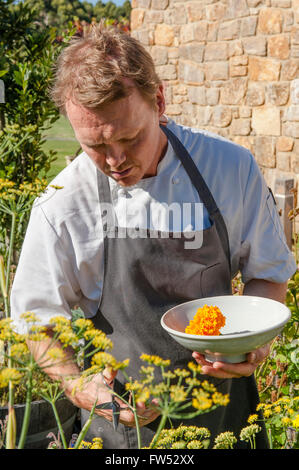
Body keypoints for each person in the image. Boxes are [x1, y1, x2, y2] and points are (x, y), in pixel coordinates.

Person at [10, 26, 296, 449]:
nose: (116, 161)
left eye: (129, 138)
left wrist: (257, 343)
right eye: (95, 147)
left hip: (228, 418)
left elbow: (269, 277)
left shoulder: (229, 167)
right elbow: (37, 322)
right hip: (123, 428)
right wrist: (80, 387)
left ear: (159, 102)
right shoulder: (62, 205)